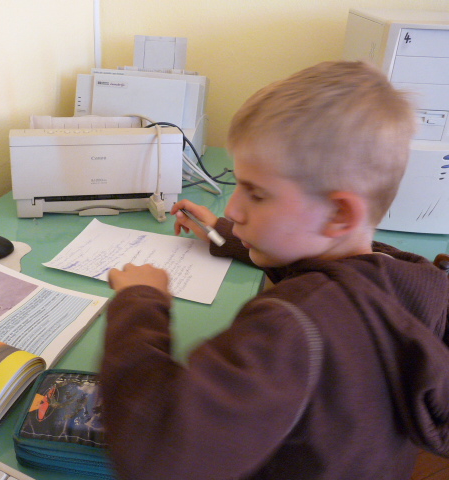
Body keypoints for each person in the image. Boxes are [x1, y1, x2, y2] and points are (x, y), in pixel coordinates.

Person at [99, 61, 449, 479]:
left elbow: (156, 452)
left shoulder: (289, 328)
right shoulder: (413, 280)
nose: (233, 208)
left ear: (339, 214)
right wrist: (225, 234)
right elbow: (337, 271)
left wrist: (139, 301)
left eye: (257, 194)